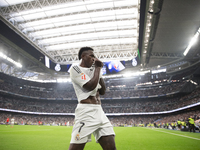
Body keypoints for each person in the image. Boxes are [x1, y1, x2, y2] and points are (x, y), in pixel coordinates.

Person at [68, 47, 116, 150]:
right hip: (86, 112)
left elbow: (102, 91)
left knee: (111, 147)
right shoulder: (75, 69)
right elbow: (90, 86)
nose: (94, 59)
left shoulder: (95, 70)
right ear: (83, 56)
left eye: (94, 56)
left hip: (100, 111)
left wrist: (98, 72)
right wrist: (98, 69)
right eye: (91, 56)